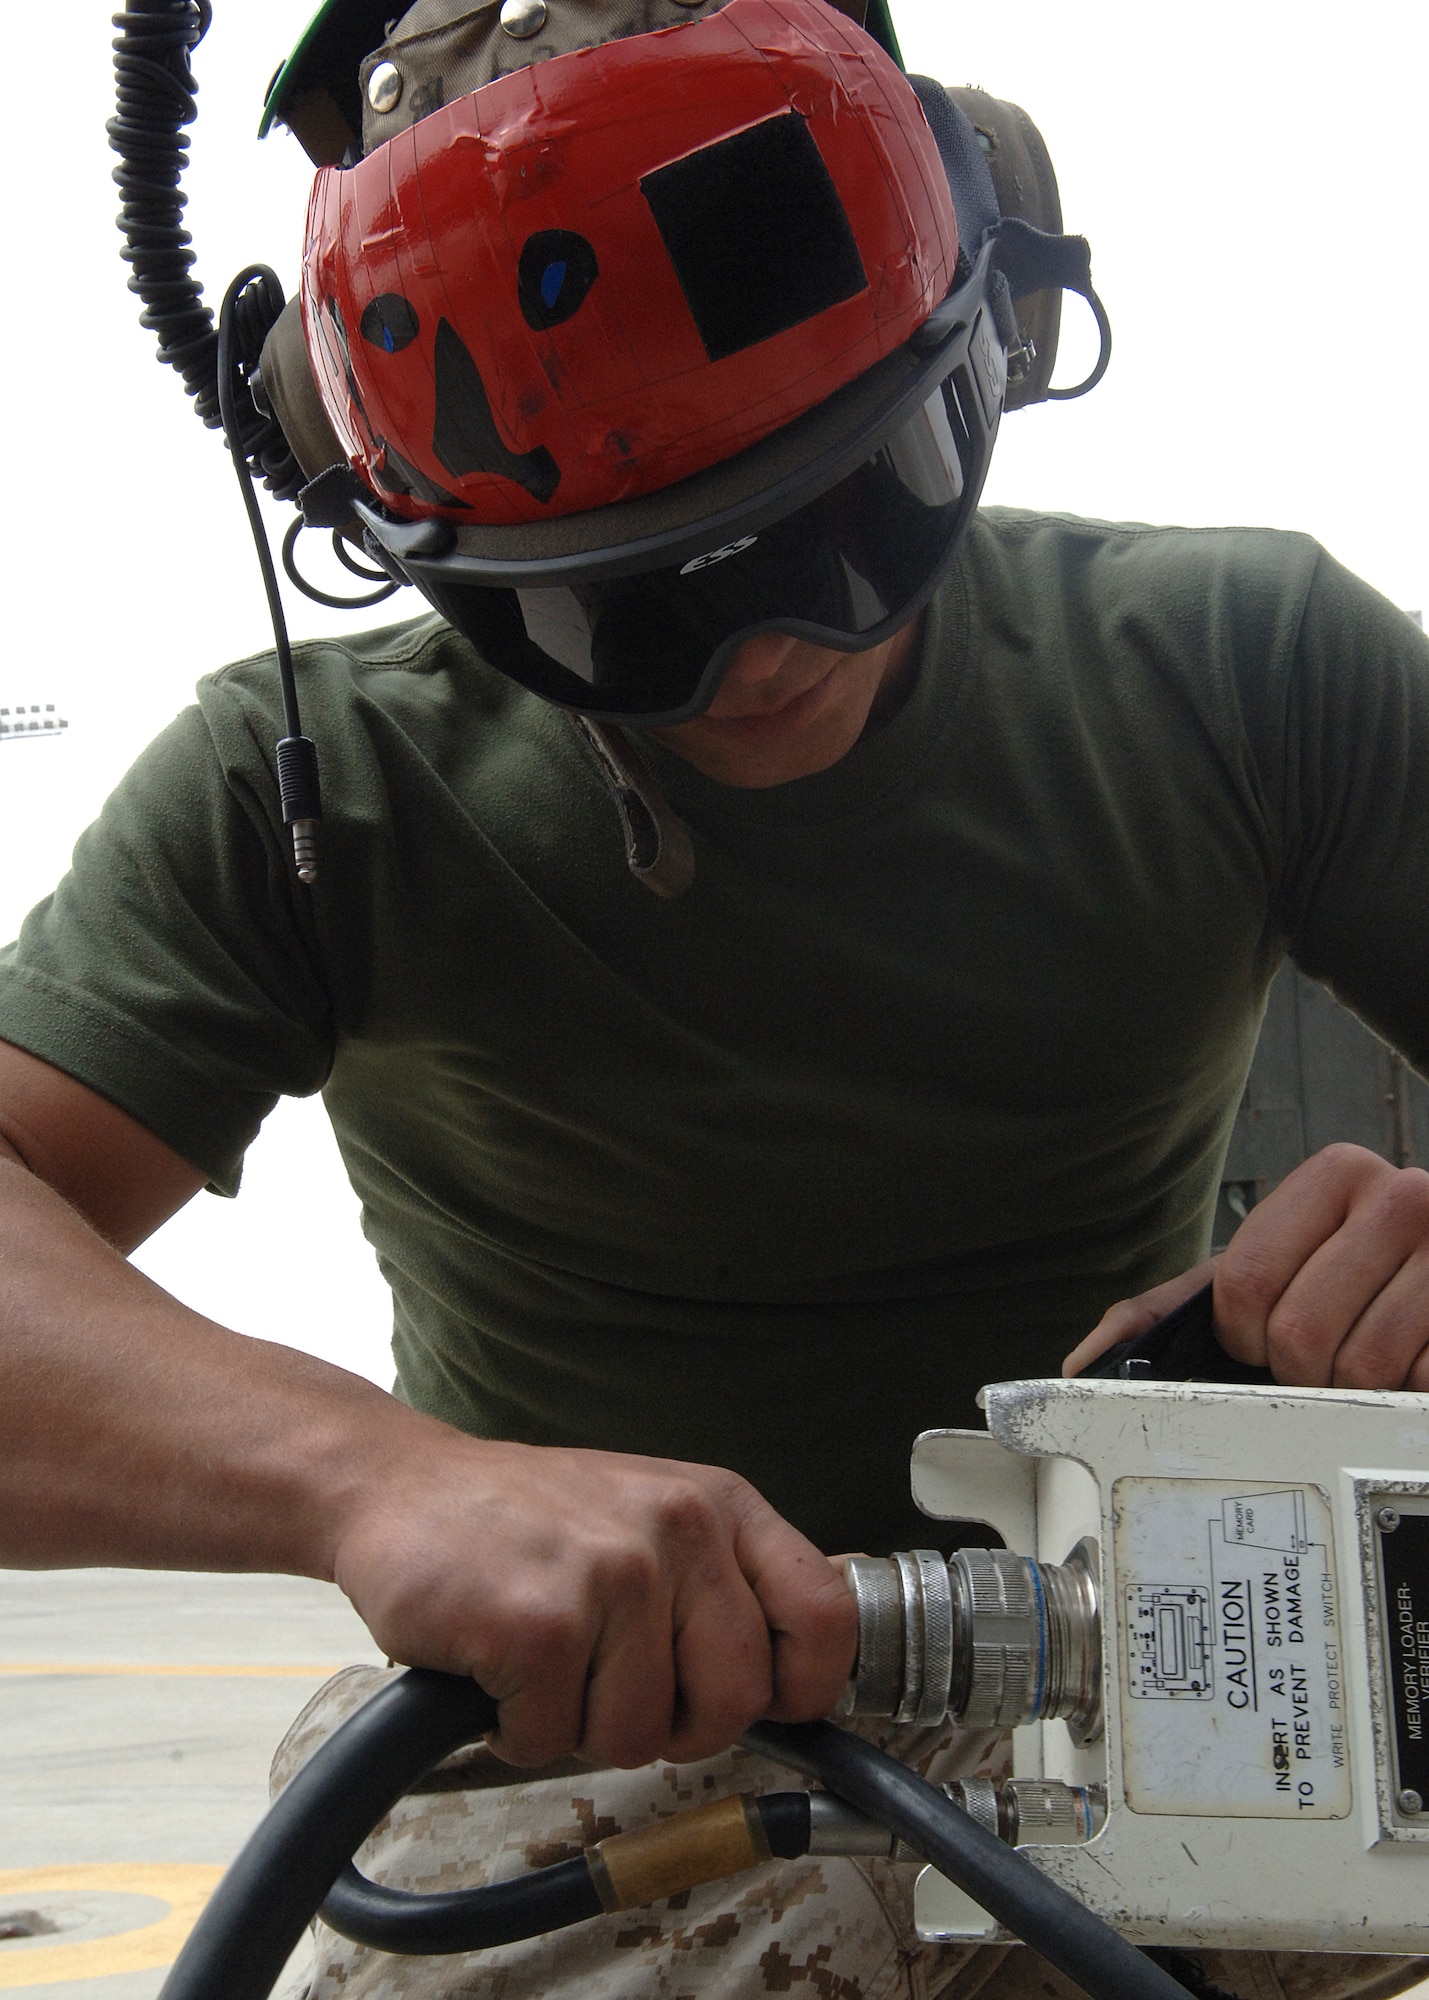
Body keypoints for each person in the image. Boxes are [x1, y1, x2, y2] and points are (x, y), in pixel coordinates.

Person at [2, 0, 1429, 1994]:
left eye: (855, 513)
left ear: (986, 322)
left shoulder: (1237, 669)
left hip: (1160, 1649)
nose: (766, 650)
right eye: (629, 603)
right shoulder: (303, 796)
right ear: (406, 538)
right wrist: (371, 1479)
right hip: (588, 1740)